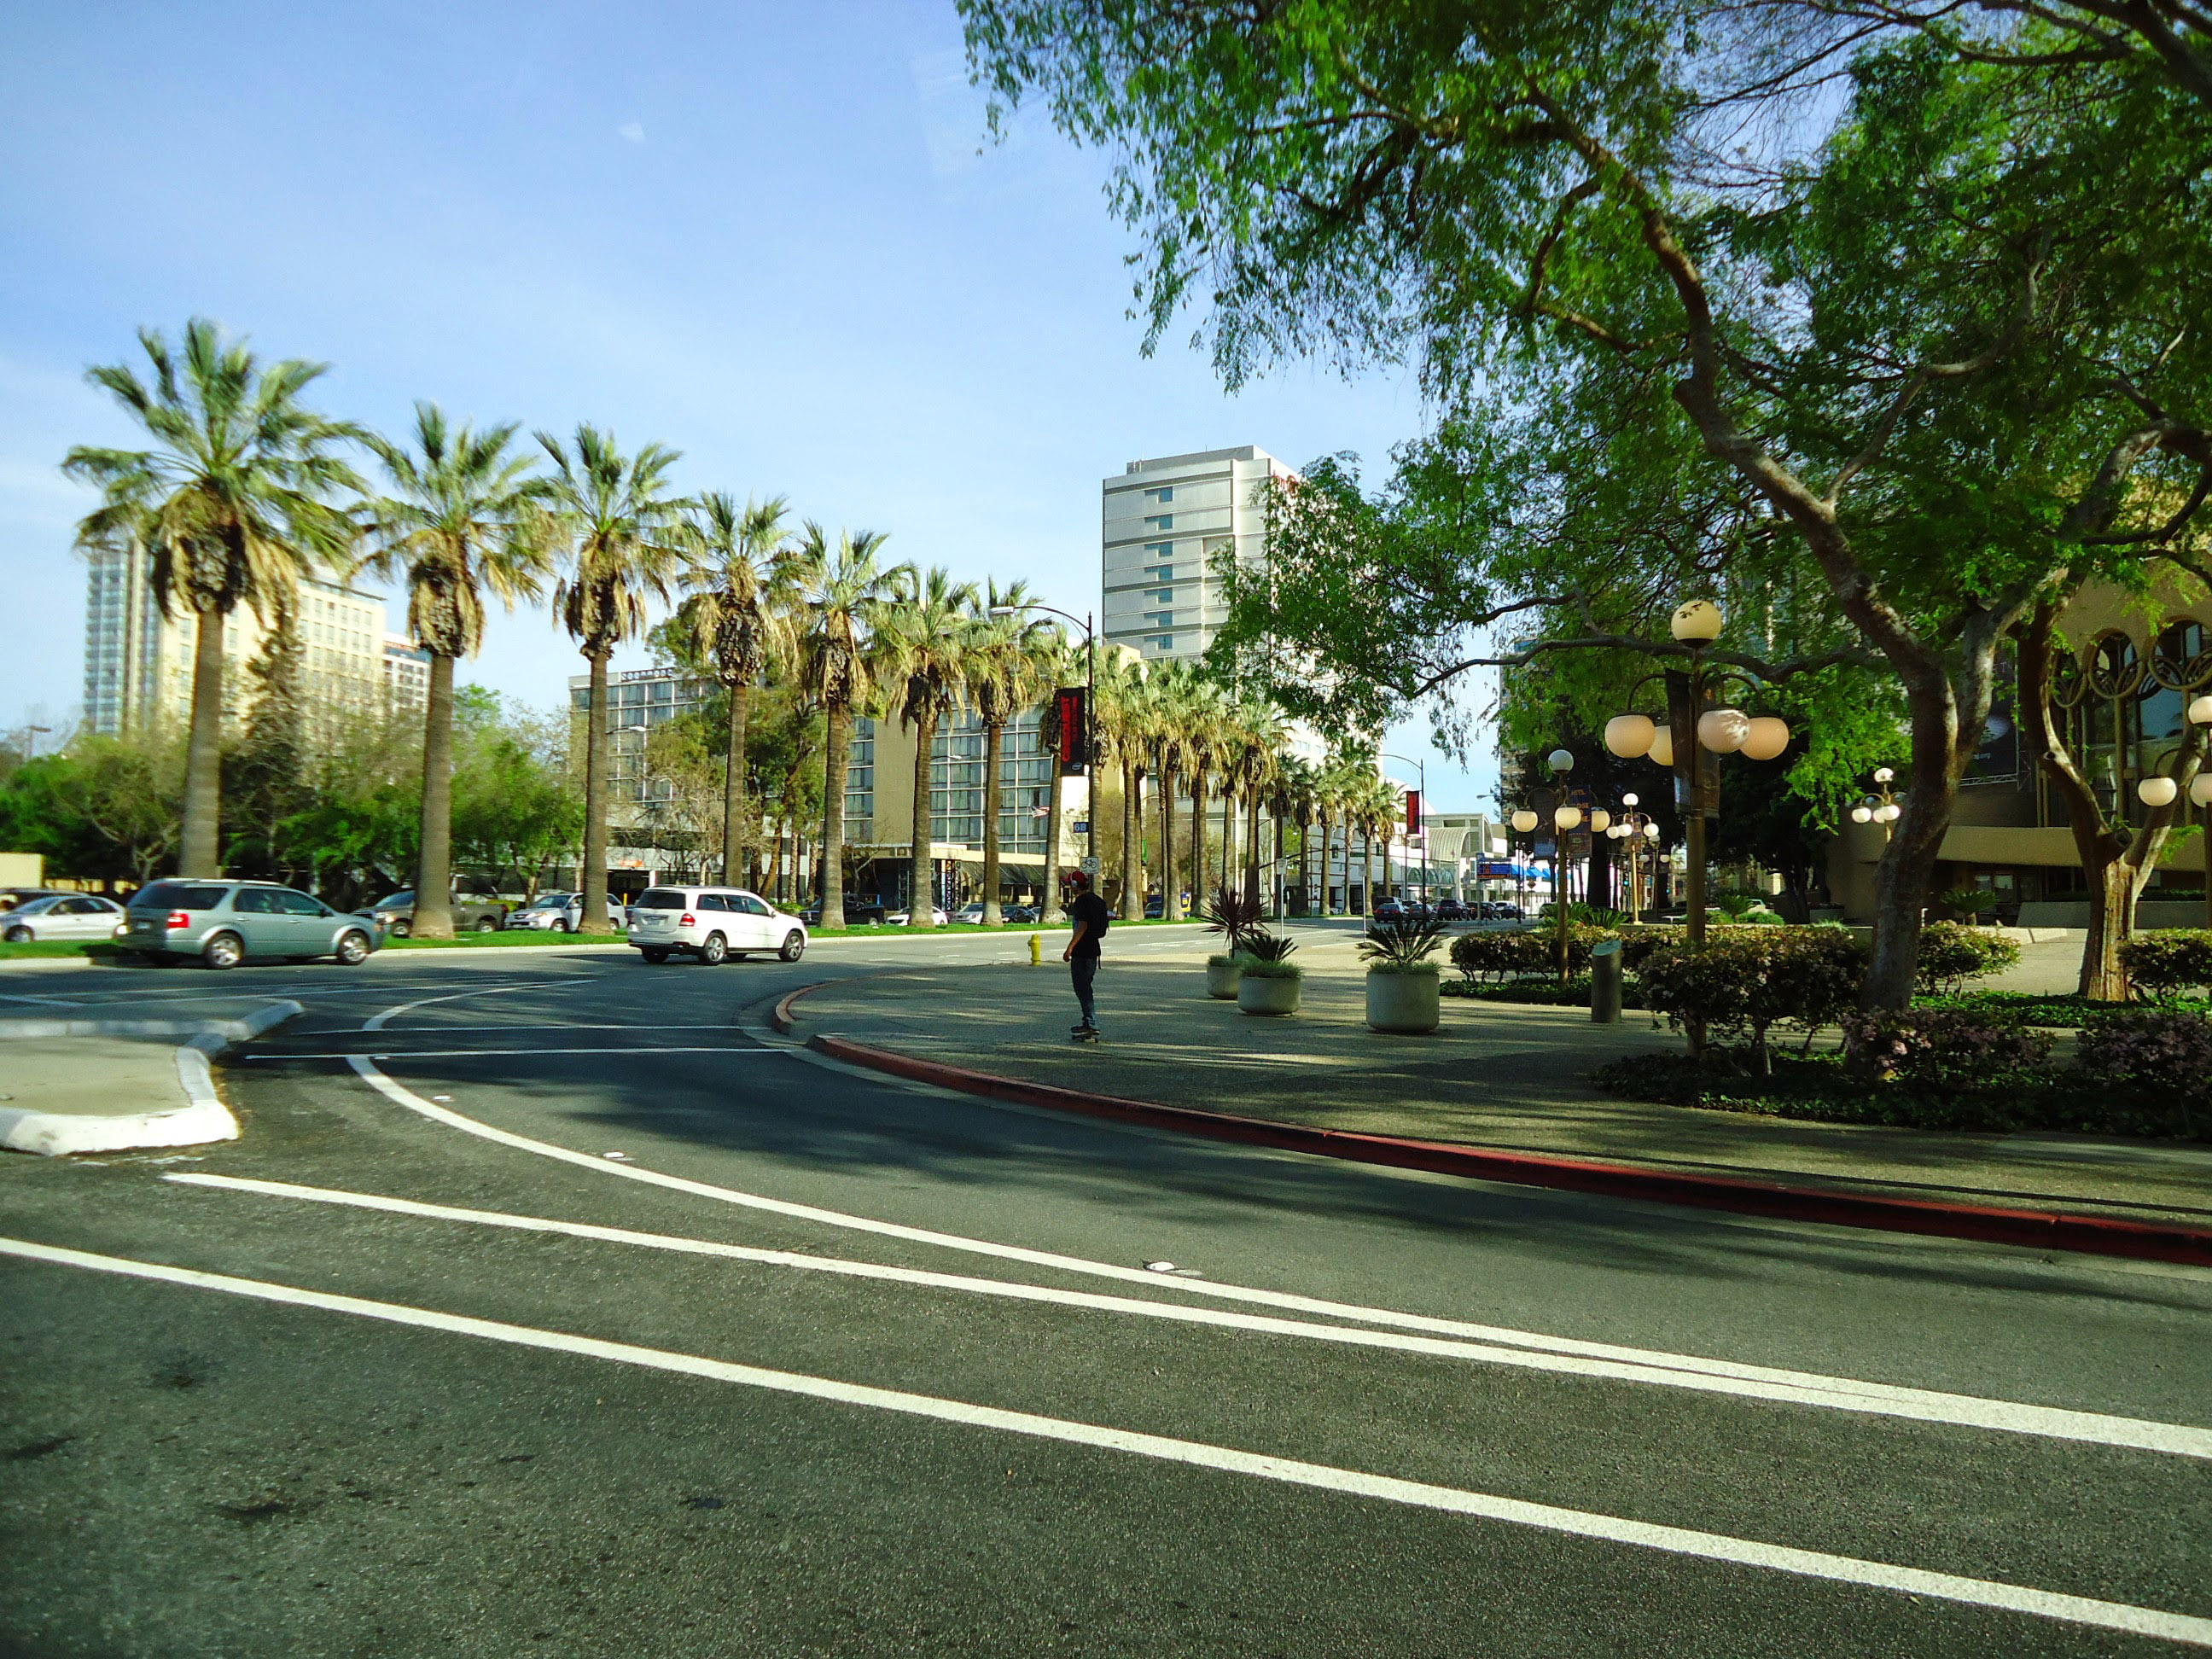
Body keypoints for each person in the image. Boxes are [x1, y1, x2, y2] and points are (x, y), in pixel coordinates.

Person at [1062, 873, 1112, 1038]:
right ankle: (1087, 1021)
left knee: (1082, 989)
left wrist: (1070, 948)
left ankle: (1091, 1023)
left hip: (1082, 951)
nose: (1070, 887)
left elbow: (1082, 925)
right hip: (1093, 950)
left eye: (1071, 884)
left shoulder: (1082, 902)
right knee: (1086, 987)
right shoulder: (1097, 900)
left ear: (1076, 885)